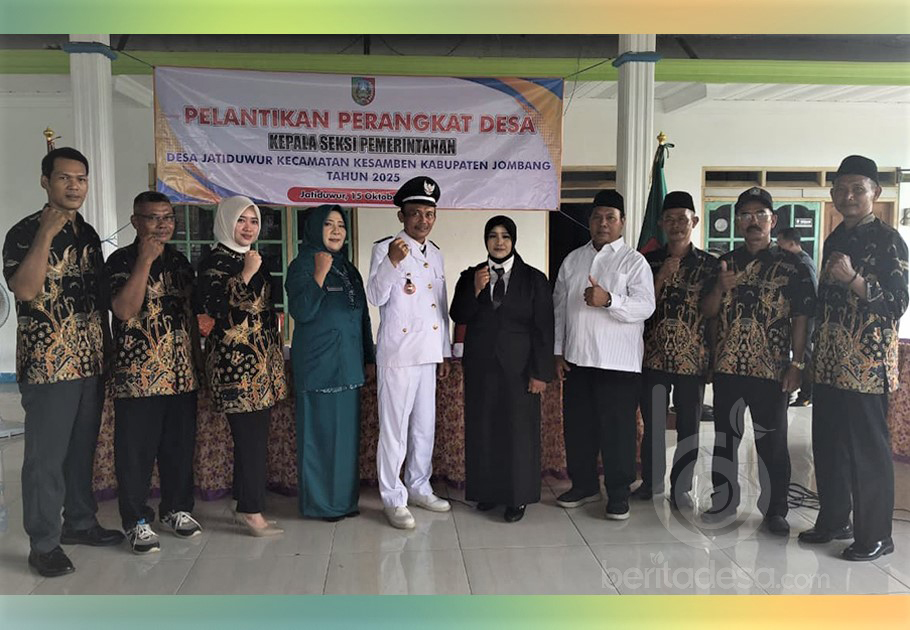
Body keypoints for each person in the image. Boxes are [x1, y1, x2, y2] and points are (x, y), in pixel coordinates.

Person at [3, 147, 123, 577]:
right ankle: (43, 543)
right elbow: (24, 290)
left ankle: (80, 522)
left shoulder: (88, 234)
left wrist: (107, 350)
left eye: (81, 179)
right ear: (45, 181)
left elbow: (98, 299)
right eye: (64, 178)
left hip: (90, 359)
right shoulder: (23, 232)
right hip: (49, 363)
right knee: (45, 457)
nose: (74, 186)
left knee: (81, 451)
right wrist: (46, 234)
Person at [799, 155, 908, 561]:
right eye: (841, 189)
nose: (848, 196)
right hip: (829, 362)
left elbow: (896, 304)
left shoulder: (890, 240)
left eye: (857, 189)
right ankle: (834, 520)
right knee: (828, 445)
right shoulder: (835, 238)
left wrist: (855, 281)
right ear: (832, 194)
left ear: (875, 193)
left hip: (866, 365)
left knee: (867, 453)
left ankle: (876, 535)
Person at [700, 186, 815, 536]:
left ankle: (775, 510)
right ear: (738, 221)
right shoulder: (723, 263)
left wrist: (797, 364)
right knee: (725, 439)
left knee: (772, 443)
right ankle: (723, 501)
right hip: (728, 368)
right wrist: (720, 287)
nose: (753, 221)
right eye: (746, 215)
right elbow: (708, 311)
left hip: (772, 370)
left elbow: (801, 318)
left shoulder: (793, 265)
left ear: (772, 220)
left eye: (760, 214)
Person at [105, 191, 202, 554]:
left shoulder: (180, 262)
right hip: (138, 377)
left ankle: (176, 509)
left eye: (168, 218)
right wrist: (144, 261)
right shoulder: (120, 260)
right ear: (135, 222)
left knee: (179, 448)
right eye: (153, 218)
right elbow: (124, 311)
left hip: (180, 374)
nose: (162, 225)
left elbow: (191, 318)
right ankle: (136, 520)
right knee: (136, 453)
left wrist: (198, 365)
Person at [553, 190, 655, 520]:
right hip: (577, 360)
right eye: (597, 217)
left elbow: (645, 306)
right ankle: (584, 485)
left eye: (610, 217)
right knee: (579, 428)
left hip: (618, 363)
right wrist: (558, 351)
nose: (603, 223)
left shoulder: (634, 261)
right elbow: (559, 309)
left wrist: (609, 300)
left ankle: (619, 493)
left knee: (618, 432)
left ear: (622, 222)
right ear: (590, 221)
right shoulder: (573, 260)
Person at [450, 215, 555, 523]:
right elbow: (458, 314)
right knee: (483, 429)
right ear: (485, 240)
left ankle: (516, 497)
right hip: (481, 368)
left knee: (517, 432)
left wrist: (540, 372)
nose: (499, 242)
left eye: (505, 236)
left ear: (513, 241)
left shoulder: (534, 279)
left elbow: (544, 328)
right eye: (493, 236)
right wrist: (475, 290)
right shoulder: (471, 275)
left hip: (520, 370)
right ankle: (486, 492)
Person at [197, 195, 287, 536]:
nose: (248, 227)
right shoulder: (214, 262)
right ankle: (251, 511)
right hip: (236, 367)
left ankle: (243, 503)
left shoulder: (252, 257)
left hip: (261, 364)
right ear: (226, 221)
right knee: (250, 439)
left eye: (254, 221)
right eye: (241, 220)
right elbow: (218, 310)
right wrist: (246, 275)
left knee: (255, 436)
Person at [366, 176, 452, 529]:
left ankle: (419, 486)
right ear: (401, 216)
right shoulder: (385, 249)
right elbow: (375, 296)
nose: (423, 220)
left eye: (429, 214)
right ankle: (393, 497)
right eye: (415, 213)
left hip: (428, 353)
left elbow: (439, 307)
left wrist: (444, 352)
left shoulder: (436, 254)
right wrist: (391, 262)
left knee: (423, 428)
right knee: (395, 431)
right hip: (398, 355)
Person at [286, 205, 374, 522]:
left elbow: (362, 317)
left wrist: (368, 358)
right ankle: (320, 504)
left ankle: (344, 502)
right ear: (314, 229)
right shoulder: (301, 265)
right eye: (328, 224)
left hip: (348, 365)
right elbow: (302, 311)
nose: (336, 230)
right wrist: (319, 274)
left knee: (346, 440)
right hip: (319, 366)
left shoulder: (348, 269)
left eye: (341, 225)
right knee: (319, 438)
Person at [637, 191, 720, 509]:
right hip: (653, 357)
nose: (676, 225)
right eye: (669, 219)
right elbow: (638, 308)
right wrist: (660, 277)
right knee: (653, 424)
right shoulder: (646, 262)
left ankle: (682, 488)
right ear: (660, 223)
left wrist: (712, 358)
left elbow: (713, 314)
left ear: (694, 222)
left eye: (682, 219)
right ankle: (651, 483)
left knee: (688, 426)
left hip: (693, 359)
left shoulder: (710, 265)